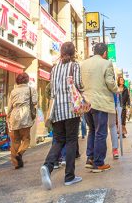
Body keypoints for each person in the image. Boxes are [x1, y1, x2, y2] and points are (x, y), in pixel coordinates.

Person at [40, 42, 84, 190]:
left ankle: (47, 166)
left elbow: (52, 90)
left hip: (57, 110)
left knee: (58, 140)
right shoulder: (75, 66)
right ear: (73, 53)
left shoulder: (54, 68)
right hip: (71, 108)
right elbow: (78, 84)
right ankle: (69, 177)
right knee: (71, 140)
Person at [80, 42, 118, 173]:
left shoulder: (83, 64)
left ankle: (90, 159)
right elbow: (110, 82)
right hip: (100, 103)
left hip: (86, 102)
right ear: (105, 53)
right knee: (101, 132)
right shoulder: (106, 63)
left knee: (92, 130)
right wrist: (117, 89)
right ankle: (98, 163)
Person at [6, 72, 36, 169]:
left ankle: (16, 163)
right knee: (26, 139)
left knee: (15, 141)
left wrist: (8, 118)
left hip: (14, 116)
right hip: (25, 115)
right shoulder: (31, 89)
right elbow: (35, 102)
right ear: (27, 80)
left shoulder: (13, 91)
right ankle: (20, 153)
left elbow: (10, 106)